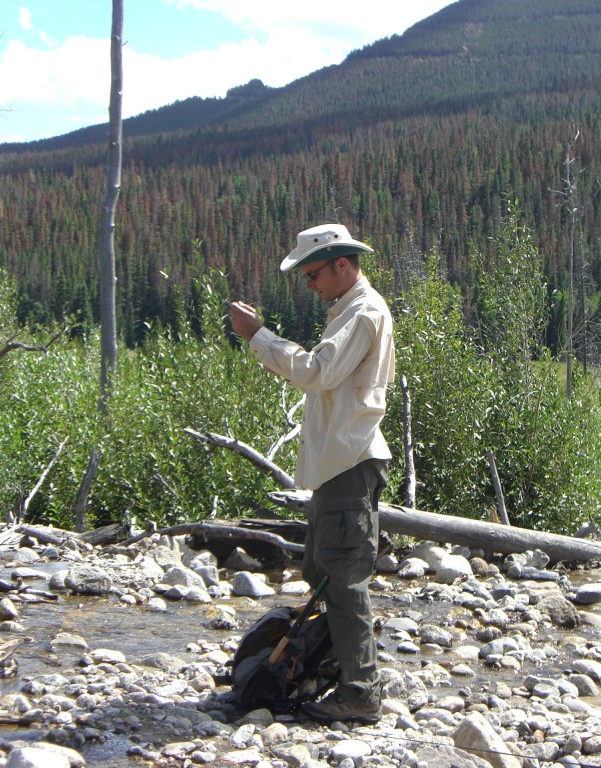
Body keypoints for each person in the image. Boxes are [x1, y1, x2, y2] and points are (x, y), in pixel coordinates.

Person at [228, 223, 395, 724]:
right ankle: (329, 674)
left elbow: (316, 372)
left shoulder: (362, 313)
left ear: (342, 264)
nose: (309, 284)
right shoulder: (347, 311)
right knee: (323, 575)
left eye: (314, 273)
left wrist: (258, 336)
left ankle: (360, 693)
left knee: (343, 581)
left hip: (348, 463)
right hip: (336, 466)